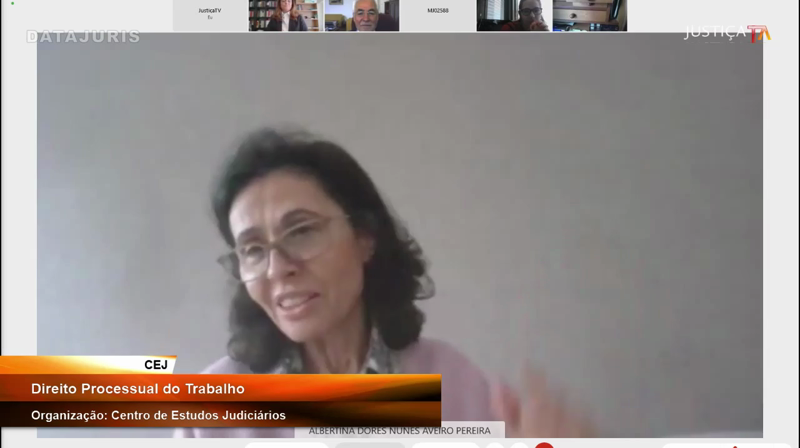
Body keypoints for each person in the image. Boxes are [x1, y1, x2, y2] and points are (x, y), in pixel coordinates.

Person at [174, 128, 593, 438]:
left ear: (364, 238)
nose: (277, 268)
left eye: (301, 231)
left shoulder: (452, 383)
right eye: (252, 249)